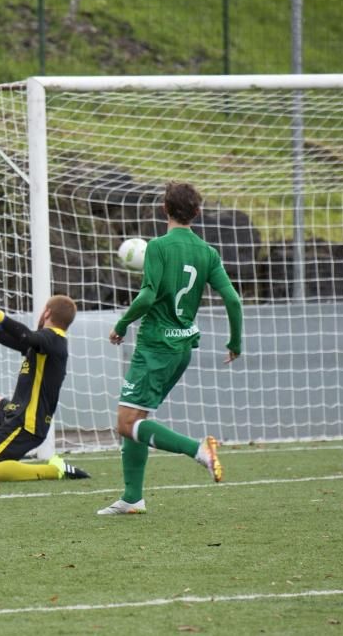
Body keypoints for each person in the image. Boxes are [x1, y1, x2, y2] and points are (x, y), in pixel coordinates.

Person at [98, 181, 243, 516]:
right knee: (137, 416)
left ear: (164, 209)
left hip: (156, 346)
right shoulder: (207, 252)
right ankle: (132, 498)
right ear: (197, 212)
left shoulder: (158, 248)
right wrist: (235, 341)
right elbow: (233, 299)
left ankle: (199, 450)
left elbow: (148, 296)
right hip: (182, 348)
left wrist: (121, 324)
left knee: (125, 423)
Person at [0, 282, 90, 482]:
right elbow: (1, 336)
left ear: (47, 313)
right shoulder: (44, 342)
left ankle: (54, 470)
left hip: (27, 424)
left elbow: (26, 335)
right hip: (16, 412)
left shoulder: (54, 340)